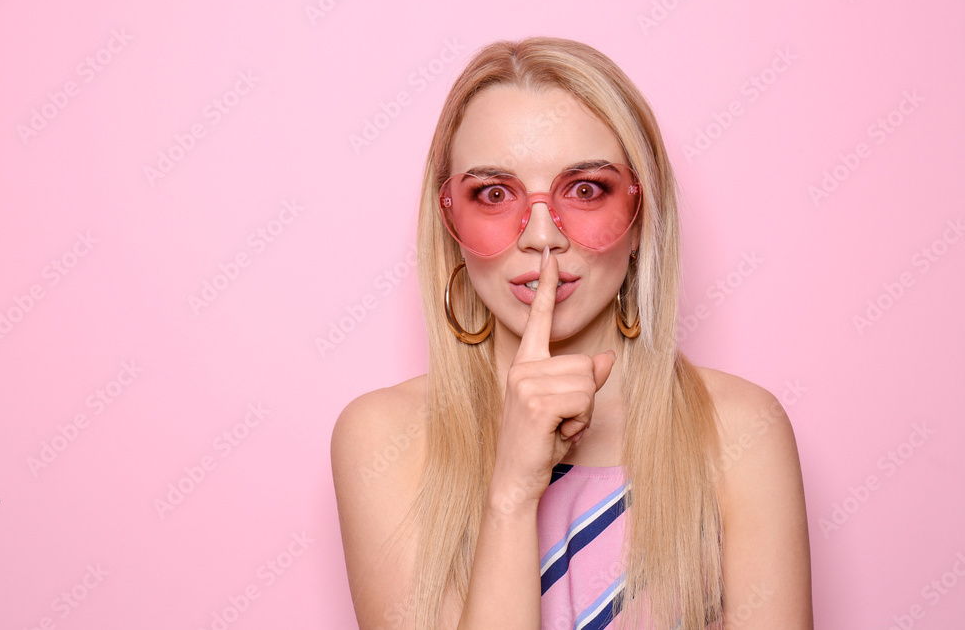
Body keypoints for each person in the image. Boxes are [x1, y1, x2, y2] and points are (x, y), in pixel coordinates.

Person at [331, 36, 812, 630]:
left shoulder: (740, 429)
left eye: (585, 190)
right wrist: (511, 492)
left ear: (642, 214)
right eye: (493, 194)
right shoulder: (385, 439)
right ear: (449, 220)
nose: (541, 235)